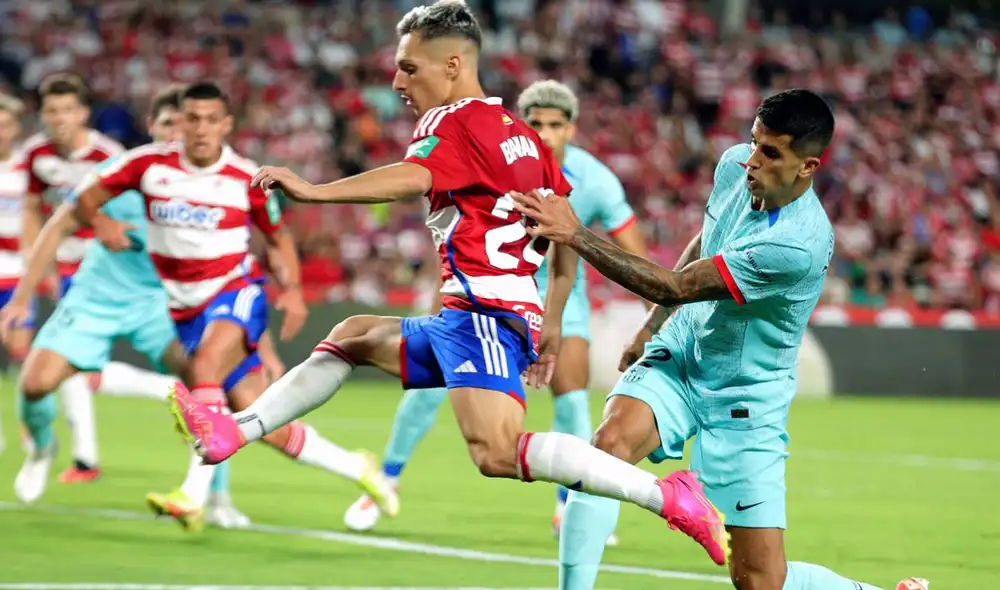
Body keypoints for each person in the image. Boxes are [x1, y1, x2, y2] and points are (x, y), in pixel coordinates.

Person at [166, 1, 727, 566]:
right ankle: (233, 431)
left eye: (410, 68)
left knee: (496, 452)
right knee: (352, 337)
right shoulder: (521, 135)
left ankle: (666, 496)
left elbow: (415, 176)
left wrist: (315, 190)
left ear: (453, 64)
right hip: (492, 311)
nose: (397, 81)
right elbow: (562, 231)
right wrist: (544, 322)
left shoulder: (450, 122)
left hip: (481, 311)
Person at [509, 89, 925, 590]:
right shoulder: (733, 166)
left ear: (807, 167)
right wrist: (653, 326)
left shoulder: (796, 244)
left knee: (758, 580)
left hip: (745, 396)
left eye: (771, 154)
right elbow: (707, 241)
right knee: (606, 450)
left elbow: (676, 284)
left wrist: (575, 234)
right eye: (754, 143)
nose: (752, 161)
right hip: (684, 352)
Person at [68, 81, 399, 530]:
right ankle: (359, 468)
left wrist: (294, 291)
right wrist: (102, 220)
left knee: (205, 368)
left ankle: (192, 493)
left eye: (210, 119)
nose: (201, 129)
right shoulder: (147, 166)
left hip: (235, 291)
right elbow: (86, 197)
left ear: (226, 124)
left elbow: (279, 240)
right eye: (192, 118)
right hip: (183, 309)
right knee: (259, 420)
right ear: (179, 121)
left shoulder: (246, 177)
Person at [343, 80, 648, 548]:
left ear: (572, 128)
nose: (545, 134)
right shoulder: (490, 153)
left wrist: (656, 314)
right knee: (427, 392)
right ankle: (387, 478)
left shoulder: (596, 179)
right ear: (521, 125)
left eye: (556, 124)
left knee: (569, 396)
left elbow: (630, 248)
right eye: (537, 123)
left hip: (560, 300)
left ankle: (571, 509)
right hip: (478, 287)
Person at [2, 85, 249, 526]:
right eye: (171, 124)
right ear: (152, 127)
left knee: (206, 382)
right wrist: (22, 296)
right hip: (98, 293)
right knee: (36, 383)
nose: (182, 134)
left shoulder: (215, 186)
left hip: (159, 303)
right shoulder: (129, 168)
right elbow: (63, 217)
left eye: (189, 124)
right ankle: (41, 449)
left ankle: (209, 492)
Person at [19, 73, 178, 482]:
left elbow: (124, 200)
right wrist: (41, 268)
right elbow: (36, 212)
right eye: (52, 111)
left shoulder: (108, 154)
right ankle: (78, 455)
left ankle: (84, 456)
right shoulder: (36, 155)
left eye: (68, 110)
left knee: (72, 367)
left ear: (83, 113)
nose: (59, 119)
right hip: (61, 263)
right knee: (49, 367)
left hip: (102, 266)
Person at [0, 94, 28, 456]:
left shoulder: (26, 170)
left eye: (5, 124)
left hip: (17, 277)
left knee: (21, 352)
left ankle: (30, 429)